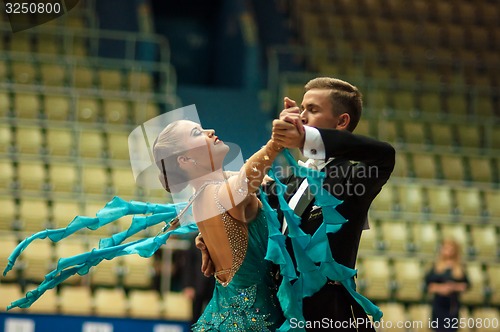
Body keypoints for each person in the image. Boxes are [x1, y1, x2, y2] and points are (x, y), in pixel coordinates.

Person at [199, 77, 395, 331]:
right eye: (301, 109)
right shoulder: (288, 182)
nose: (302, 117)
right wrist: (207, 235)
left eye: (312, 110)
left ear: (342, 121)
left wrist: (307, 139)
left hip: (328, 316)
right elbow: (236, 201)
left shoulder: (355, 178)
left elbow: (385, 154)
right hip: (280, 314)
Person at [152, 119, 285, 331]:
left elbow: (240, 180)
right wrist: (275, 144)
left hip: (230, 318)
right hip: (252, 322)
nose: (210, 130)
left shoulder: (204, 196)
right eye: (197, 133)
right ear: (185, 160)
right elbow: (245, 180)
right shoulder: (217, 195)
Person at [425, 239, 470, 332]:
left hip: (452, 305)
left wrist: (453, 287)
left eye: (451, 249)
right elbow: (428, 285)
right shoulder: (436, 266)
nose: (448, 252)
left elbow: (466, 285)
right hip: (439, 305)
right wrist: (440, 288)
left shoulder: (459, 267)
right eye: (446, 248)